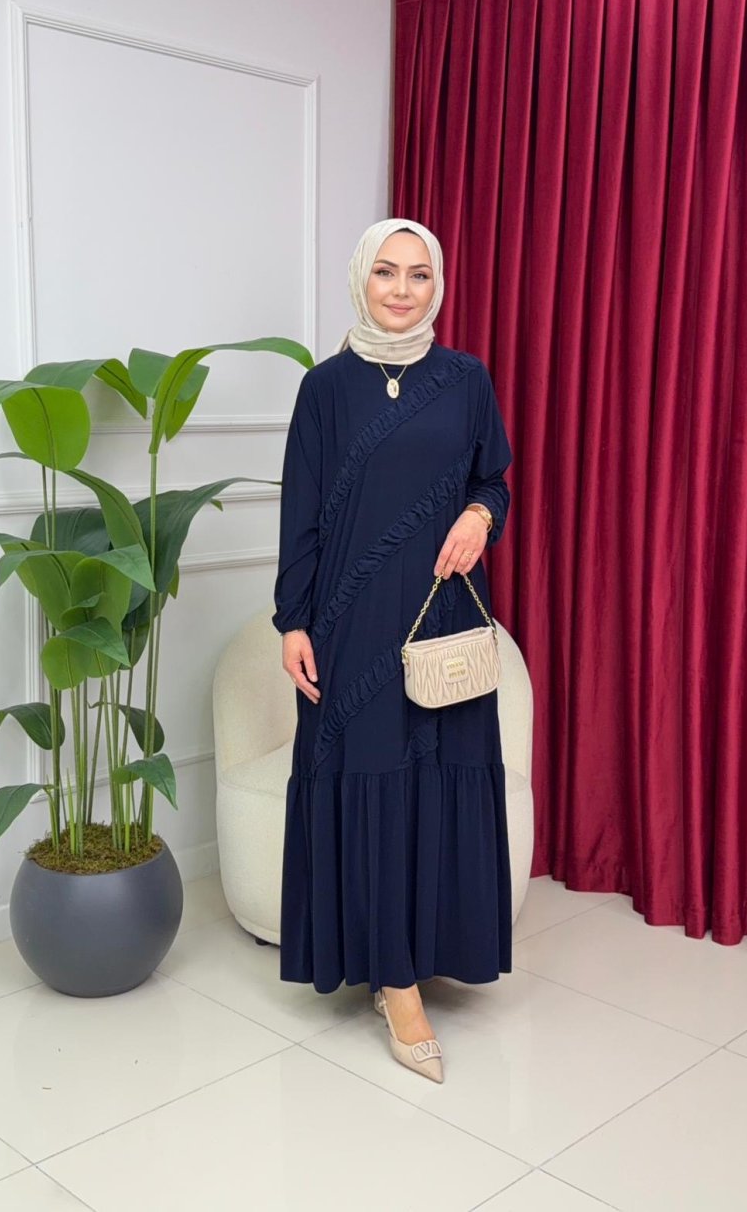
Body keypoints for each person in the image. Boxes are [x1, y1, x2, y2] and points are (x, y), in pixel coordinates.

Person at [271, 217, 513, 1083]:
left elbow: (494, 478)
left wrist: (479, 517)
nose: (402, 289)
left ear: (436, 284)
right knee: (370, 776)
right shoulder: (326, 388)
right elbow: (300, 509)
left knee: (434, 774)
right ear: (360, 281)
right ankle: (395, 982)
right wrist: (293, 621)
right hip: (352, 621)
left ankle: (425, 947)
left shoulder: (465, 379)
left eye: (418, 274)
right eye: (386, 272)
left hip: (440, 615)